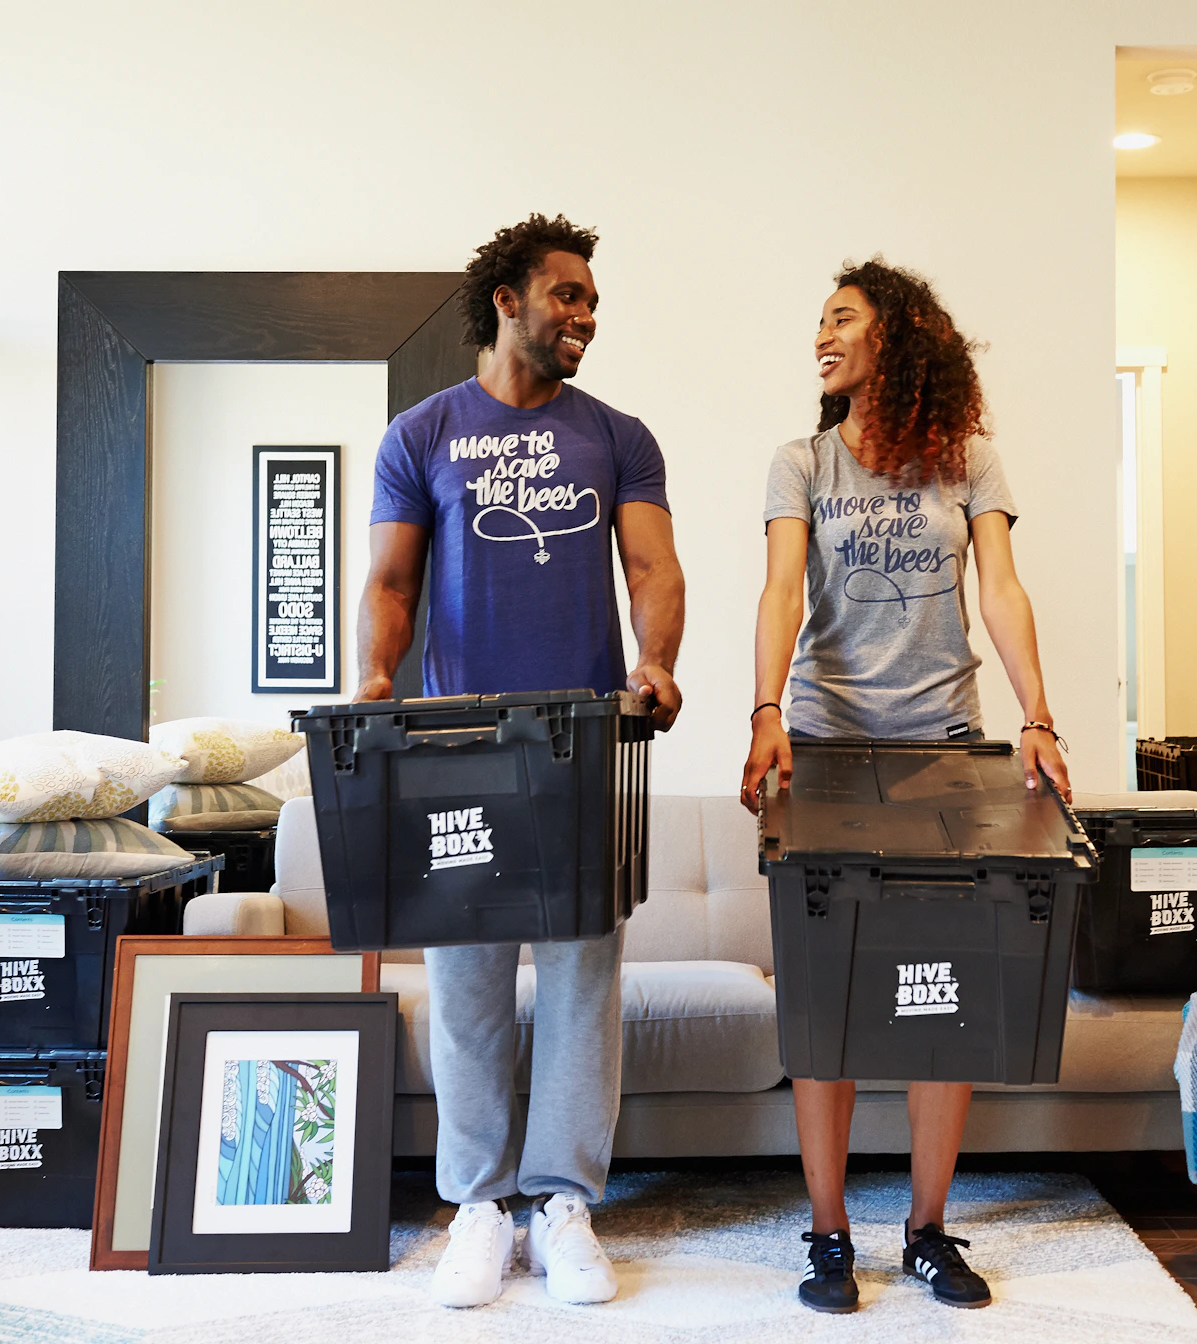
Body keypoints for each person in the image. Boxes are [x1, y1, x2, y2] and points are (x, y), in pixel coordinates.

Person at [356, 213, 685, 1309]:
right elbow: (394, 583)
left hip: (579, 742)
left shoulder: (617, 436)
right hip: (458, 747)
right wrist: (375, 680)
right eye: (568, 295)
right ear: (508, 298)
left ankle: (563, 1201)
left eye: (592, 298)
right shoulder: (424, 433)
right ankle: (480, 1206)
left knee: (586, 975)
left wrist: (659, 662)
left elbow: (650, 565)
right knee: (468, 983)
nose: (586, 315)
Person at [740, 258, 1071, 1314]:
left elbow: (1003, 591)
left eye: (841, 319)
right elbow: (781, 589)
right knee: (825, 995)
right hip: (829, 753)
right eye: (819, 324)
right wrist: (764, 711)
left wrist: (1040, 717)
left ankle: (926, 1231)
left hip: (947, 751)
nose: (822, 336)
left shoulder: (969, 460)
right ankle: (830, 1233)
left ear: (899, 337)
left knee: (946, 992)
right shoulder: (802, 462)